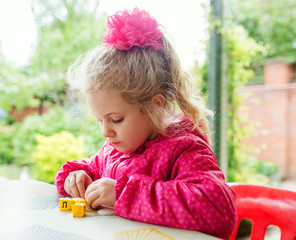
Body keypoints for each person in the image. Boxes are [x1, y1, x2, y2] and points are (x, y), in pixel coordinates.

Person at [55, 7, 236, 239]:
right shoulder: (115, 150)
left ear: (156, 105)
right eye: (99, 120)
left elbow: (219, 211)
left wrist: (123, 195)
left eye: (116, 119)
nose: (105, 132)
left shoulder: (184, 150)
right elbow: (90, 166)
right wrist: (78, 176)